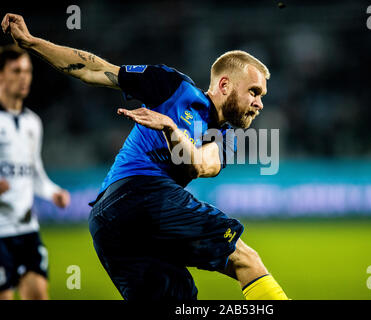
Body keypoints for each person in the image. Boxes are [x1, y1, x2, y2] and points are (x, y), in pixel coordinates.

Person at [1, 13, 289, 300]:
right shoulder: (173, 86)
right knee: (246, 260)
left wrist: (172, 129)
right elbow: (94, 70)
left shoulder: (226, 139)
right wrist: (31, 42)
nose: (259, 103)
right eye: (254, 92)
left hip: (111, 225)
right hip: (138, 194)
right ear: (225, 85)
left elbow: (200, 164)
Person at [0, 44, 71, 300]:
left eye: (27, 71)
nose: (23, 77)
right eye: (16, 70)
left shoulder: (33, 122)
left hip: (27, 229)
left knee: (39, 295)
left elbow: (35, 172)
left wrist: (54, 192)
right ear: (1, 76)